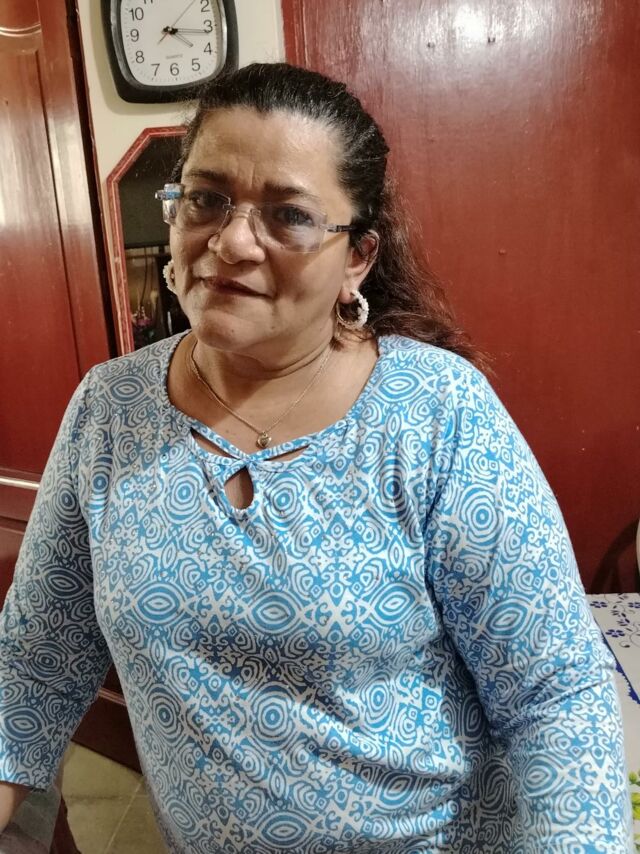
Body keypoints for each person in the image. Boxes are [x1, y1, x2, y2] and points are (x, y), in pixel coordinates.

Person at [0, 62, 631, 853]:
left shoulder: (436, 413)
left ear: (356, 257)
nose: (231, 241)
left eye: (289, 215)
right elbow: (36, 657)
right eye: (206, 198)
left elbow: (553, 694)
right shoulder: (109, 410)